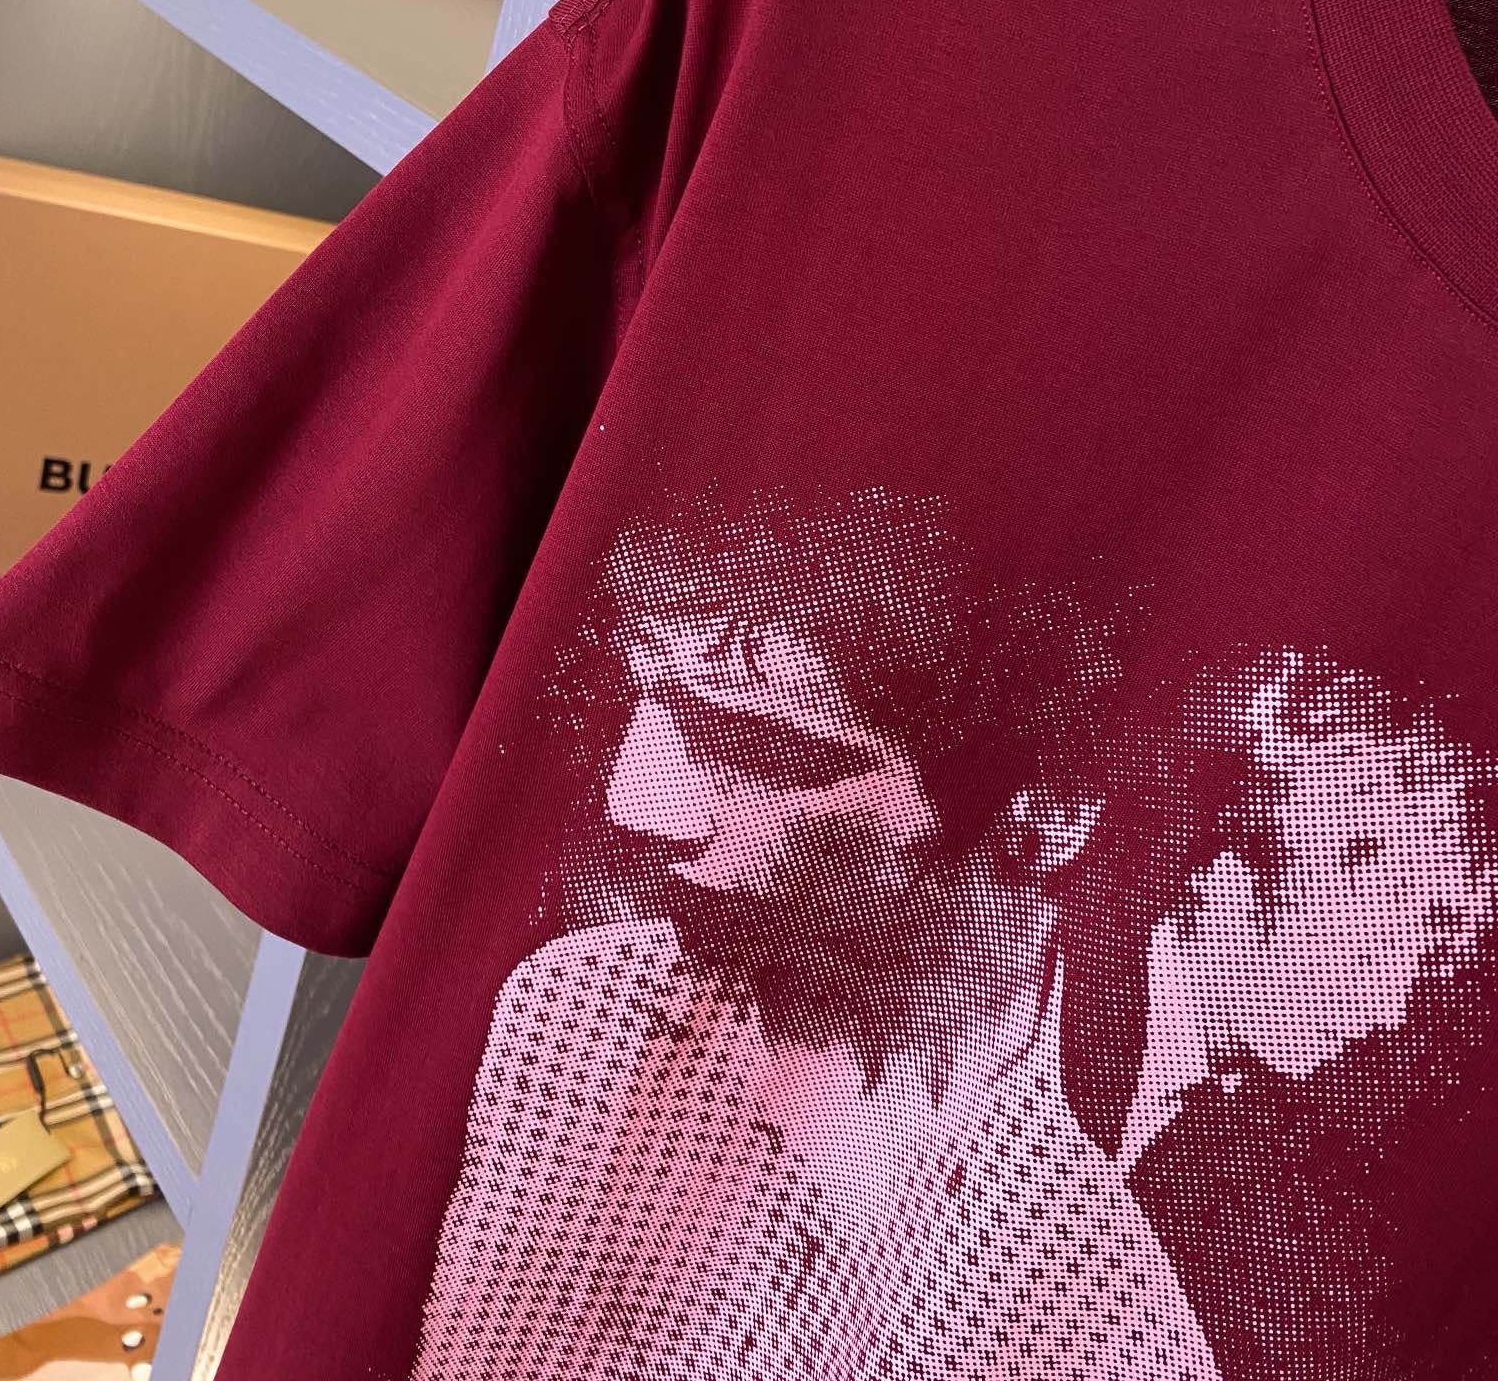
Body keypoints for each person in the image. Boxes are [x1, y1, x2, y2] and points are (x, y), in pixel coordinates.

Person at [406, 483, 1219, 1381]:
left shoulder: (1094, 1335)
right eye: (651, 707)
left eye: (759, 748)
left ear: (1049, 813)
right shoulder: (578, 1009)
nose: (635, 803)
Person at [1083, 644, 1498, 1379]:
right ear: (1255, 845)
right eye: (1405, 918)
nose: (1394, 1005)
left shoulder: (1246, 1234)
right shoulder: (985, 1020)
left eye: (1431, 944)